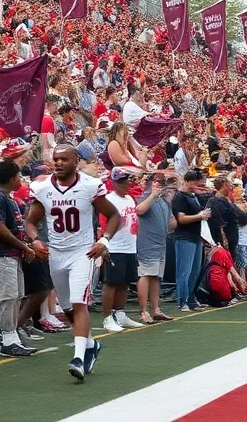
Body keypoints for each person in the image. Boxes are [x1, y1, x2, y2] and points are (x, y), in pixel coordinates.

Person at [26, 145, 121, 382]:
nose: (58, 163)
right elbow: (31, 222)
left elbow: (114, 215)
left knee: (79, 303)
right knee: (68, 307)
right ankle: (89, 344)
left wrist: (104, 241)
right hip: (56, 253)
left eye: (63, 159)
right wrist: (35, 240)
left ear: (76, 160)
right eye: (55, 159)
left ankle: (78, 357)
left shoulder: (89, 185)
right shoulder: (43, 187)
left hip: (82, 252)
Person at [0, 158, 37, 357]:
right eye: (18, 176)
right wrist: (23, 246)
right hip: (2, 254)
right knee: (8, 297)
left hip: (12, 254)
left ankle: (11, 334)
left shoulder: (8, 198)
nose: (21, 180)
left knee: (16, 296)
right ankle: (7, 337)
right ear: (12, 178)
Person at [100, 167, 144, 333]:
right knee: (110, 283)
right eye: (121, 181)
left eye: (126, 180)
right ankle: (107, 317)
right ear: (113, 183)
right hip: (114, 247)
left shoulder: (130, 199)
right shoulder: (108, 200)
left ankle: (120, 313)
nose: (125, 183)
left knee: (124, 282)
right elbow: (103, 224)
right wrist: (104, 244)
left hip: (130, 247)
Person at [135, 172, 174, 324]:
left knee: (156, 277)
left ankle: (156, 309)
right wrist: (152, 195)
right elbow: (139, 210)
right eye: (158, 182)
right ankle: (144, 311)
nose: (161, 185)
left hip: (160, 244)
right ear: (150, 183)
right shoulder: (145, 197)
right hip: (147, 244)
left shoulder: (163, 201)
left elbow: (171, 223)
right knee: (145, 275)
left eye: (163, 182)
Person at [171, 169, 213, 309]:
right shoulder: (180, 197)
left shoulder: (192, 195)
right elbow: (181, 218)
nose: (197, 186)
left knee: (194, 271)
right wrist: (200, 216)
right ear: (187, 181)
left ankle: (191, 299)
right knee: (184, 271)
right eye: (195, 183)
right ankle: (182, 301)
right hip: (184, 237)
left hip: (196, 237)